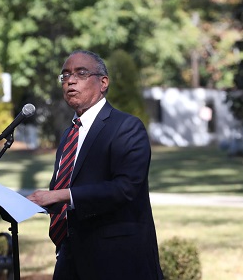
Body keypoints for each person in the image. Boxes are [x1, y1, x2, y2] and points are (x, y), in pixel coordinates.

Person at [27, 50, 164, 280]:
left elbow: (125, 188)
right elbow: (64, 189)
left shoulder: (126, 127)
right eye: (65, 75)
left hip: (117, 259)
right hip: (70, 255)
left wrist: (60, 196)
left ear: (103, 82)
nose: (70, 80)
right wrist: (26, 204)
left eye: (81, 73)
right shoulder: (69, 134)